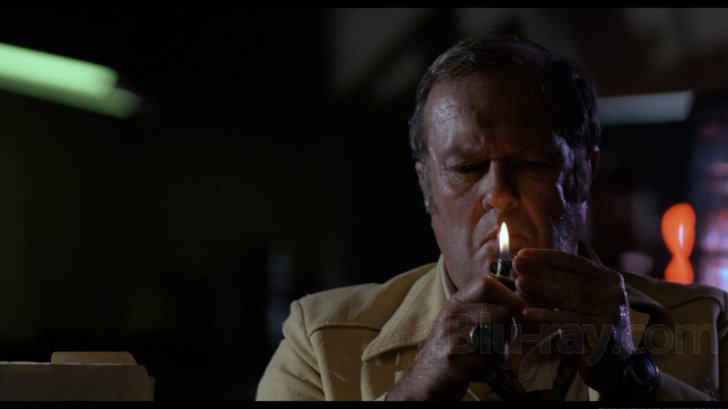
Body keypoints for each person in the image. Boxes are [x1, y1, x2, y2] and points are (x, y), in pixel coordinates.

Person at [255, 35, 728, 401]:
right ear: (426, 187)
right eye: (466, 168)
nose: (499, 195)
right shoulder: (321, 341)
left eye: (530, 164)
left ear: (583, 175)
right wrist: (418, 390)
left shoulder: (706, 324)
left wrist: (631, 376)